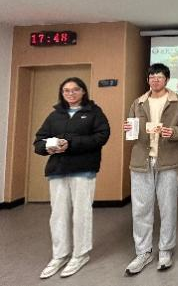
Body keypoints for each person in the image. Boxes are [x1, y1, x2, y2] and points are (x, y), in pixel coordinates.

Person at [34, 77, 110, 279]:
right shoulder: (54, 116)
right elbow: (38, 142)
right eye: (66, 90)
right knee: (58, 215)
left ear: (83, 91)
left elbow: (102, 136)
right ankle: (60, 255)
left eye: (75, 89)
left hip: (83, 170)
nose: (71, 93)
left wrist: (71, 143)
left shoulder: (94, 112)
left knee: (81, 214)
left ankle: (80, 254)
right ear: (62, 93)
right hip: (57, 170)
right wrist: (48, 147)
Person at [123, 63, 178, 275]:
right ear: (148, 80)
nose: (155, 80)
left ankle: (165, 250)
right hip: (141, 161)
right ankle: (143, 252)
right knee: (140, 209)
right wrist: (128, 128)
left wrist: (173, 132)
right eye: (152, 76)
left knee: (168, 207)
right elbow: (131, 130)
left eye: (159, 77)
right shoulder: (138, 102)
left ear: (167, 80)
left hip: (168, 160)